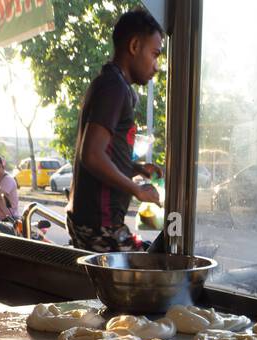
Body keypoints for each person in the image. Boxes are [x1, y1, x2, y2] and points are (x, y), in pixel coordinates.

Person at [65, 8, 165, 252]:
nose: (156, 66)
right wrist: (137, 190)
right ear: (134, 46)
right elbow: (91, 155)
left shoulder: (110, 83)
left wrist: (136, 169)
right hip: (101, 226)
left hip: (95, 221)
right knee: (151, 279)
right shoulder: (114, 87)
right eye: (154, 54)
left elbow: (103, 154)